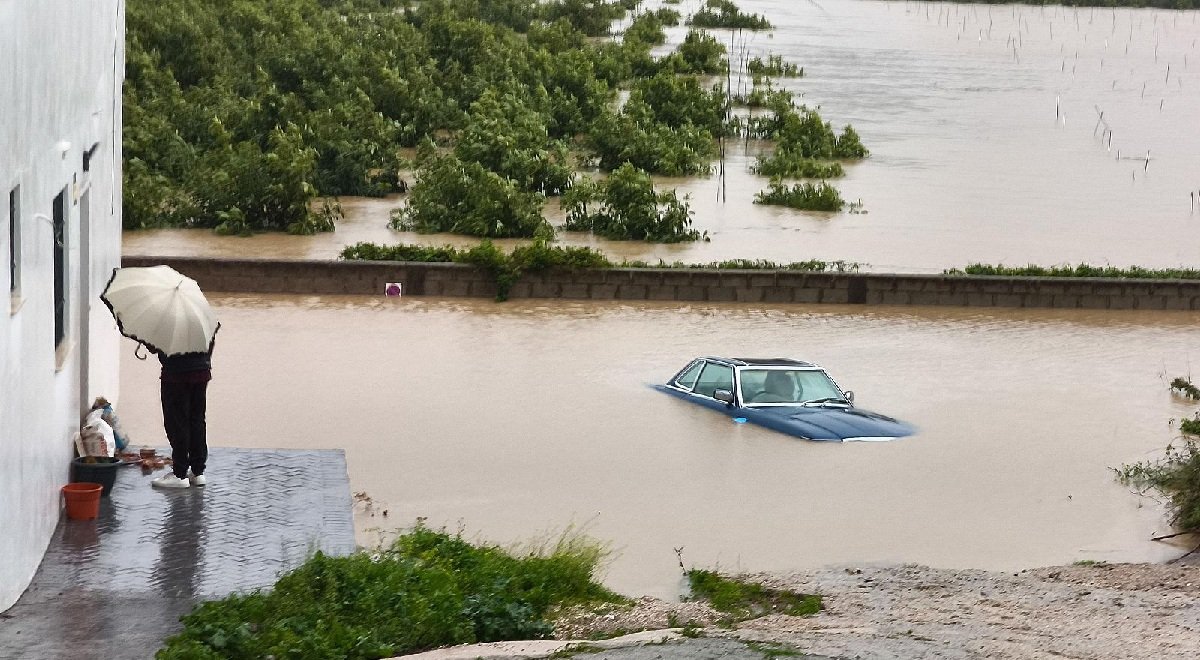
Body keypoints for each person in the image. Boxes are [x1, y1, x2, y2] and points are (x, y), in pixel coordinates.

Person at [151, 345, 213, 489]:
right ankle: (198, 472)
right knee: (197, 420)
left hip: (176, 373)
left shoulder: (170, 323)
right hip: (201, 370)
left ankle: (179, 473)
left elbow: (159, 344)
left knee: (177, 422)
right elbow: (210, 341)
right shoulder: (203, 322)